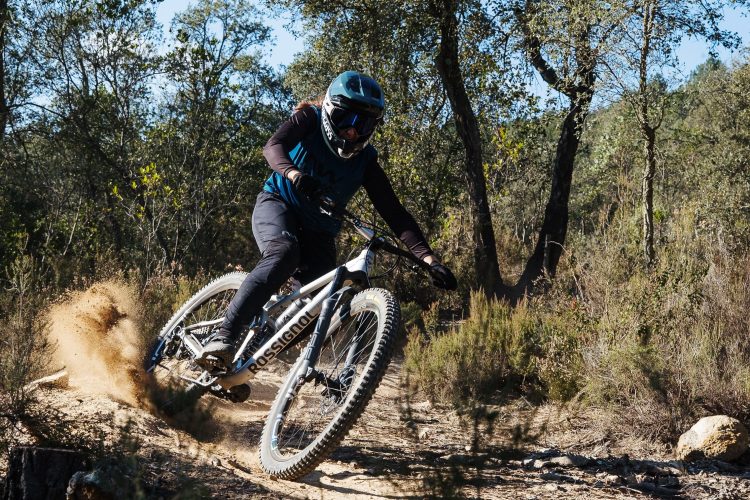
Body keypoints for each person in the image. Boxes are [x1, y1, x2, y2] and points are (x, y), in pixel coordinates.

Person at [204, 70, 457, 365]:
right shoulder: (309, 119)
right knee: (284, 253)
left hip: (319, 232)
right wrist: (294, 173)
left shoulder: (365, 161)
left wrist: (429, 260)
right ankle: (223, 335)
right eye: (345, 120)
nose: (352, 131)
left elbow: (395, 213)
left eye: (363, 125)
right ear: (328, 110)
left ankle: (245, 360)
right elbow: (273, 147)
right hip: (278, 203)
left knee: (316, 309)